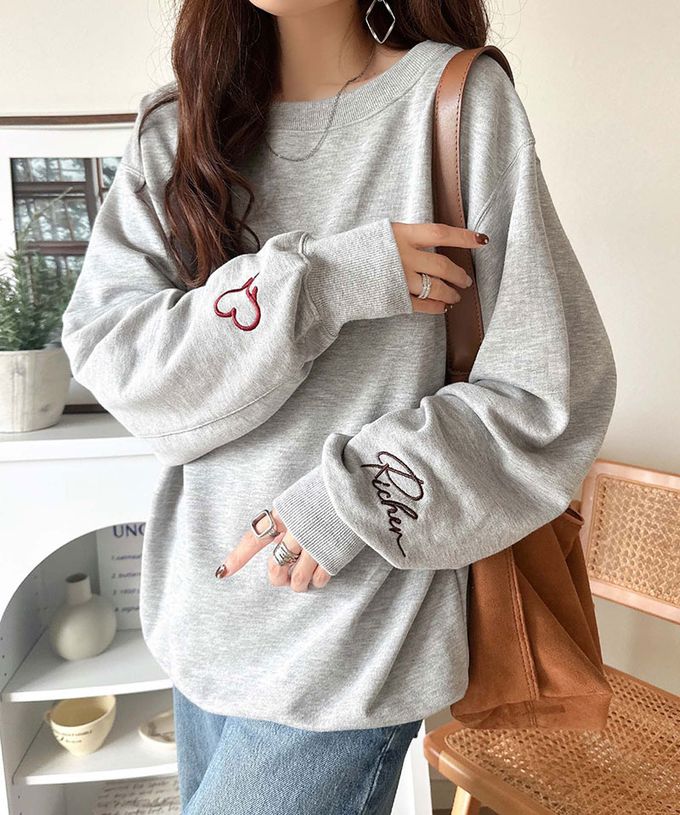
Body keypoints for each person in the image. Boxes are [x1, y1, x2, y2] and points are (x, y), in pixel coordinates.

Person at [60, 0, 618, 812]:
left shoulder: (455, 104)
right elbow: (120, 364)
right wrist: (324, 280)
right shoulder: (176, 130)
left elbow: (546, 393)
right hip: (202, 623)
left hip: (352, 640)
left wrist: (347, 499)